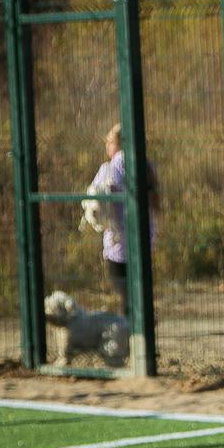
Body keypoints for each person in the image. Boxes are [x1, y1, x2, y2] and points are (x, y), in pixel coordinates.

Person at [83, 123, 159, 318]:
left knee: (124, 290)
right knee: (139, 287)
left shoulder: (109, 168)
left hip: (118, 243)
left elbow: (93, 202)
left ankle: (133, 328)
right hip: (144, 239)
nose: (106, 148)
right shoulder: (148, 165)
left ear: (116, 144)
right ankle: (144, 322)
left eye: (108, 143)